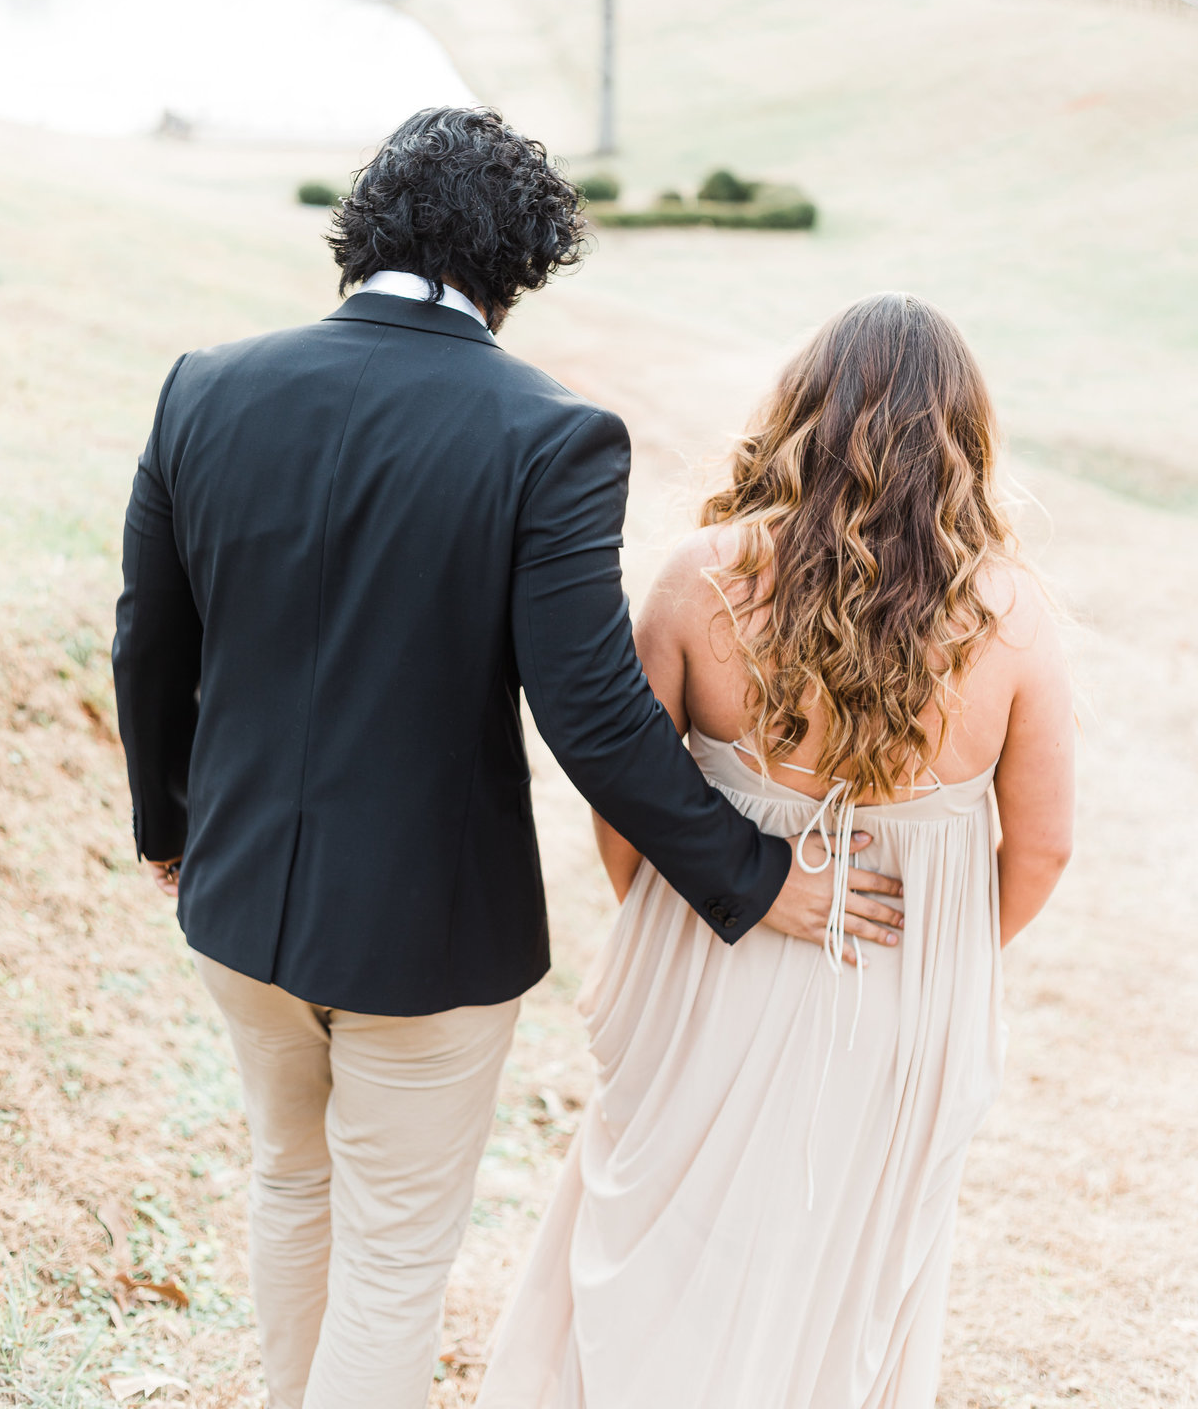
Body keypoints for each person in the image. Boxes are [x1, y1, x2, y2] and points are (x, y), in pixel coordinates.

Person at [111, 107, 905, 1409]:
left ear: (362, 231)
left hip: (233, 903)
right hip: (425, 946)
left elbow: (149, 642)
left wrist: (167, 828)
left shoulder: (204, 385)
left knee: (288, 1182)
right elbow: (591, 710)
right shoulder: (552, 435)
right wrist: (754, 877)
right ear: (519, 267)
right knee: (393, 1255)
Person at [476, 292, 1075, 1409]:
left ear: (800, 412)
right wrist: (938, 954)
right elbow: (1041, 850)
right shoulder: (1015, 617)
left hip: (710, 943)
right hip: (900, 986)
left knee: (663, 1225)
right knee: (841, 1253)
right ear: (969, 440)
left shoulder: (699, 578)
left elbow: (625, 795)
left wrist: (673, 915)